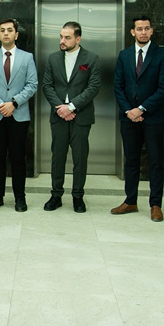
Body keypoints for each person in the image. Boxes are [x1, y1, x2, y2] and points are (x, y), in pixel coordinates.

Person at [111, 15, 164, 222]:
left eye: (147, 28)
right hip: (129, 118)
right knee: (131, 160)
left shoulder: (162, 55)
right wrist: (129, 111)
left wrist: (142, 109)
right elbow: (118, 86)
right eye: (139, 29)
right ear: (132, 32)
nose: (143, 32)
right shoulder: (124, 55)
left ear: (152, 31)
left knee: (155, 162)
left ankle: (155, 205)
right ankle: (130, 201)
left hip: (153, 118)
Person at [0, 18, 38, 212]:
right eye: (2, 30)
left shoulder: (27, 58)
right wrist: (0, 104)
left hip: (18, 115)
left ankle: (20, 198)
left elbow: (32, 85)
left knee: (18, 158)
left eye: (10, 30)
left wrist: (14, 103)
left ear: (16, 34)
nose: (6, 33)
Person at [42, 21, 101, 213]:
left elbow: (93, 87)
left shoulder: (91, 58)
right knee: (57, 157)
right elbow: (47, 86)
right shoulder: (53, 58)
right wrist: (61, 109)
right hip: (58, 116)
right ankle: (56, 195)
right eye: (61, 37)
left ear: (78, 39)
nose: (62, 40)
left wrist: (72, 106)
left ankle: (78, 197)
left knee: (80, 158)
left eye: (67, 37)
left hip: (81, 116)